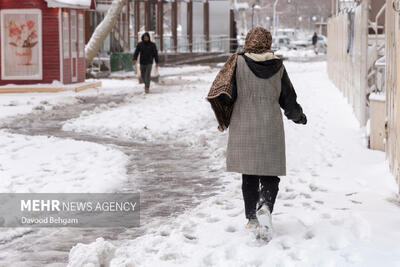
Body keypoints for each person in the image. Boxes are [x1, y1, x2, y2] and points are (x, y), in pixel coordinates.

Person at [206, 27, 307, 241]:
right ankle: (265, 206)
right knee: (270, 173)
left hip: (244, 124)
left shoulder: (237, 62)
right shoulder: (278, 65)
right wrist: (298, 116)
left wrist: (225, 113)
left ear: (248, 41)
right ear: (268, 42)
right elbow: (288, 100)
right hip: (270, 125)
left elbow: (223, 92)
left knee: (249, 174)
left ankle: (252, 218)